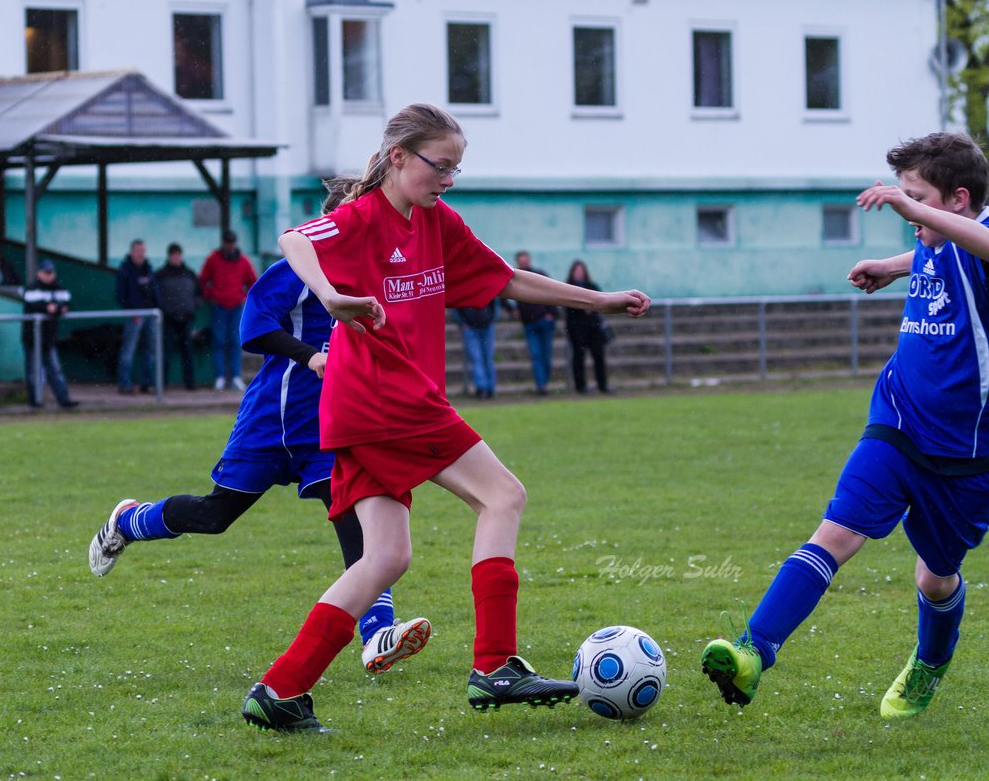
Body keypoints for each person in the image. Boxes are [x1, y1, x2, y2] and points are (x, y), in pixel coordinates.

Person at [241, 103, 650, 732]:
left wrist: (598, 300)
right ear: (399, 156)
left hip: (365, 410)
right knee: (503, 496)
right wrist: (331, 297)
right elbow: (296, 239)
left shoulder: (436, 222)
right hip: (389, 399)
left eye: (457, 169)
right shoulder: (359, 218)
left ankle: (280, 690)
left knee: (383, 559)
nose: (449, 179)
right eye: (442, 166)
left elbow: (505, 279)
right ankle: (495, 665)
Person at [701, 132, 989, 720]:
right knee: (835, 533)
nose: (906, 210)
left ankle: (929, 663)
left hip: (966, 453)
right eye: (903, 198)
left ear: (958, 199)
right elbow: (944, 250)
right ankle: (754, 652)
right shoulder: (938, 238)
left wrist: (914, 215)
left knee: (936, 580)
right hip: (898, 420)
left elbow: (979, 246)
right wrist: (895, 265)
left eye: (917, 198)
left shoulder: (977, 235)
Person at [88, 258, 431, 675]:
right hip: (271, 420)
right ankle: (128, 522)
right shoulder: (303, 265)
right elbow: (254, 324)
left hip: (328, 428)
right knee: (214, 516)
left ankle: (377, 634)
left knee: (355, 519)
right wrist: (309, 357)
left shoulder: (375, 273)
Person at [199, 229, 257, 391]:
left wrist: (243, 296)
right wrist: (211, 295)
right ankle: (220, 377)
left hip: (236, 306)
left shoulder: (243, 261)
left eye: (232, 242)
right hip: (219, 306)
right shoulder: (213, 259)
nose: (230, 245)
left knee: (235, 342)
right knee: (218, 341)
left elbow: (253, 281)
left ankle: (235, 376)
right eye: (228, 242)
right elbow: (203, 280)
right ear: (224, 243)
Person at [22, 259, 79, 409]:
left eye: (51, 272)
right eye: (46, 272)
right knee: (34, 371)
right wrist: (52, 308)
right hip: (32, 338)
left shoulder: (58, 288)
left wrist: (56, 308)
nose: (49, 276)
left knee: (55, 370)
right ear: (39, 273)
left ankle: (64, 400)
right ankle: (34, 401)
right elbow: (37, 305)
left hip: (49, 338)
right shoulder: (32, 288)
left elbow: (65, 304)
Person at [501, 251, 559, 395]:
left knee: (546, 355)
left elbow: (553, 292)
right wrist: (511, 310)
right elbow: (501, 295)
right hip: (529, 324)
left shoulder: (539, 274)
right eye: (521, 261)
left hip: (545, 321)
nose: (524, 264)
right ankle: (541, 385)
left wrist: (552, 314)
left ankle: (544, 381)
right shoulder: (514, 277)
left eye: (526, 261)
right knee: (536, 355)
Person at [155, 243, 202, 391]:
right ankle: (162, 385)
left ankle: (190, 384)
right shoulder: (160, 274)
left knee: (187, 353)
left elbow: (198, 294)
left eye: (178, 254)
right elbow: (156, 296)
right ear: (169, 256)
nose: (176, 257)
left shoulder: (189, 273)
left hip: (186, 318)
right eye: (174, 254)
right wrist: (166, 309)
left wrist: (192, 306)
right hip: (168, 319)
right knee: (166, 352)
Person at [115, 239, 160, 395]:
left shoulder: (148, 268)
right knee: (128, 350)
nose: (141, 254)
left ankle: (146, 384)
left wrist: (156, 307)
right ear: (132, 251)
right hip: (134, 315)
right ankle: (124, 384)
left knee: (149, 351)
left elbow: (155, 291)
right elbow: (120, 295)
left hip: (150, 314)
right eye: (138, 250)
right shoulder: (125, 270)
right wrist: (132, 310)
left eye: (143, 250)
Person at [564, 260, 611, 394]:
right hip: (577, 328)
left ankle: (602, 384)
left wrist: (593, 309)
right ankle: (581, 386)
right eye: (576, 271)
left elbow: (602, 301)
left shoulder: (592, 286)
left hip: (593, 327)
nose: (579, 273)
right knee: (579, 356)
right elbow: (567, 308)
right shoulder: (568, 288)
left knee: (599, 355)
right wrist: (581, 308)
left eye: (581, 270)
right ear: (572, 273)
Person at [454, 301, 497, 399]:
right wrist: (462, 323)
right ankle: (481, 387)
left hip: (486, 325)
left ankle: (490, 388)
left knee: (488, 358)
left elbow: (495, 304)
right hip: (470, 327)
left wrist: (492, 319)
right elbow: (456, 307)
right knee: (476, 358)